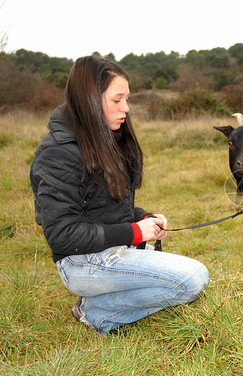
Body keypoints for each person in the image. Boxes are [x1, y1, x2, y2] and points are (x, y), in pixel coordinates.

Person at [30, 56, 209, 336]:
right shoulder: (59, 153)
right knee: (192, 278)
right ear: (90, 98)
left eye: (127, 98)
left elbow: (105, 207)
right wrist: (134, 232)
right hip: (80, 261)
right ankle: (97, 312)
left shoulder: (107, 138)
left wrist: (144, 219)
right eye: (117, 100)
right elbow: (63, 234)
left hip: (111, 250)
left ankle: (96, 304)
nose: (126, 108)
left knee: (176, 275)